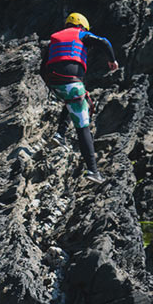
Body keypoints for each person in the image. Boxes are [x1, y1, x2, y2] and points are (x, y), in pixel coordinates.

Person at [40, 12, 119, 184]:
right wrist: (112, 60)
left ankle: (59, 134)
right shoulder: (81, 34)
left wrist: (51, 86)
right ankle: (93, 171)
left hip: (55, 84)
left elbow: (42, 67)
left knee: (71, 100)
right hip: (71, 83)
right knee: (83, 127)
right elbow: (104, 42)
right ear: (82, 26)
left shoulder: (55, 39)